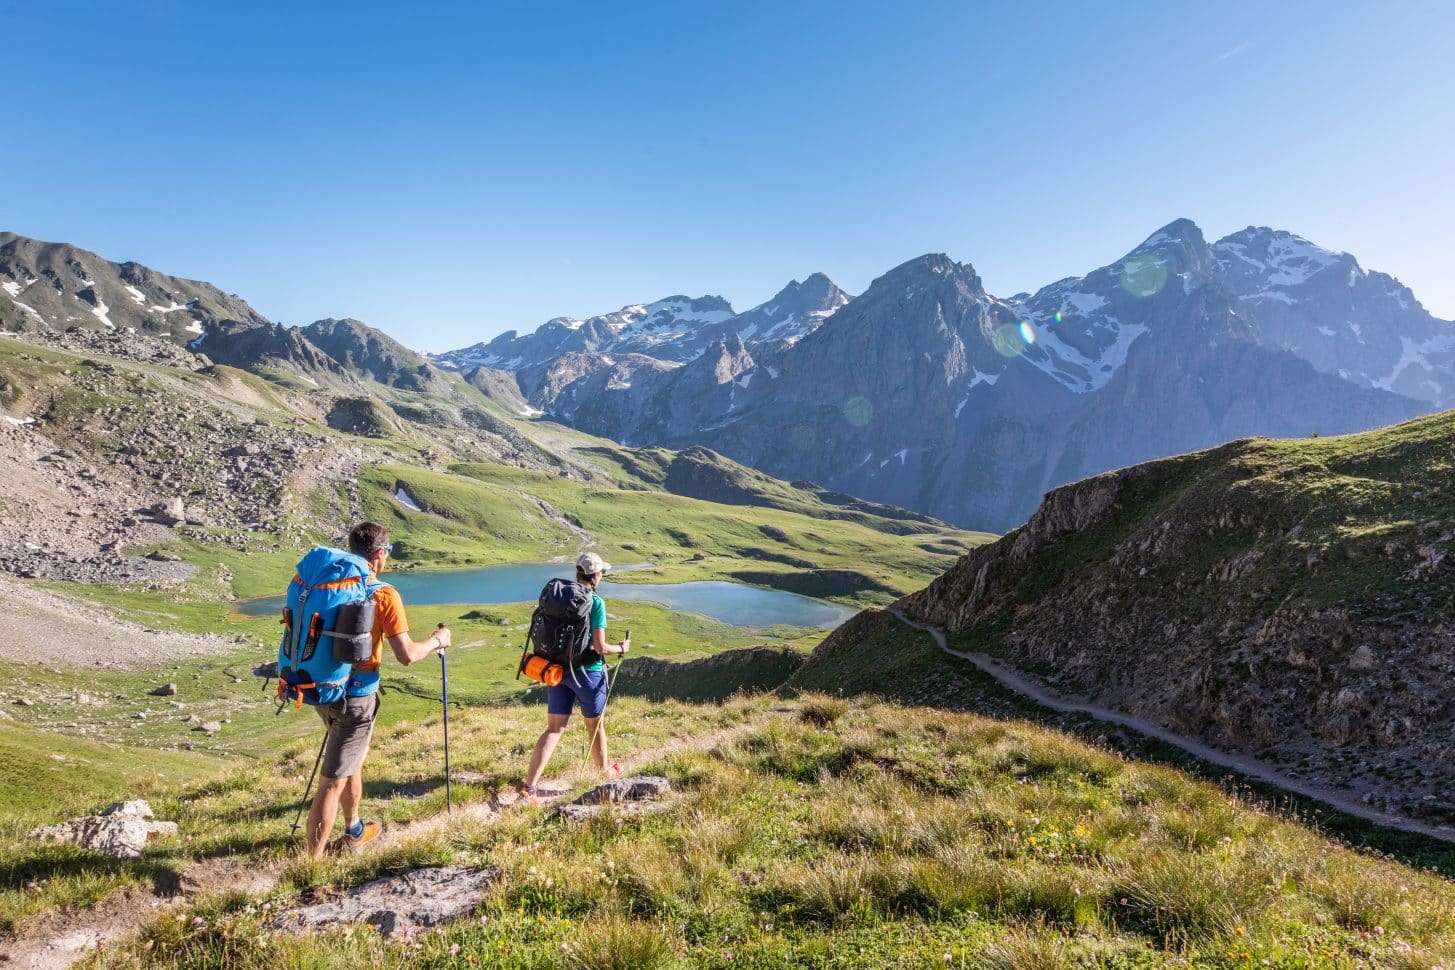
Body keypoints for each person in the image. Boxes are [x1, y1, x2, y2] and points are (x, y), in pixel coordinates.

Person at [303, 521, 451, 859]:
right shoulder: (384, 594)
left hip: (323, 687)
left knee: (350, 761)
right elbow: (407, 655)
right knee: (331, 780)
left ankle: (354, 828)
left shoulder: (331, 583)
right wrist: (438, 640)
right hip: (356, 698)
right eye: (387, 553)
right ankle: (309, 863)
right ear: (380, 554)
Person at [518, 552, 630, 801]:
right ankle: (602, 773)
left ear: (578, 572)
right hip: (587, 674)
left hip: (557, 671)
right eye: (603, 572)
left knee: (554, 728)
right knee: (595, 725)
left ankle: (529, 787)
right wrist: (621, 648)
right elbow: (600, 647)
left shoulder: (560, 596)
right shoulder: (595, 602)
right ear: (597, 575)